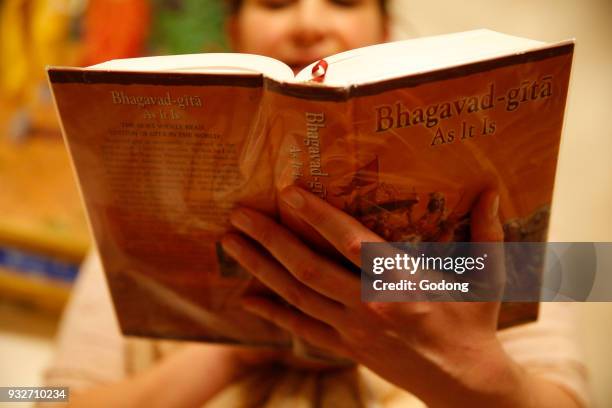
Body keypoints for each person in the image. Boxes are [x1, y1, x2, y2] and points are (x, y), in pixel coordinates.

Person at [42, 0, 589, 407]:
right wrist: (236, 349)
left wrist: (455, 367)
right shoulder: (136, 208)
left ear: (385, 31)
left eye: (344, 0)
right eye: (276, 1)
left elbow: (570, 395)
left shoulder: (495, 210)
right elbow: (31, 398)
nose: (308, 22)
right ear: (235, 30)